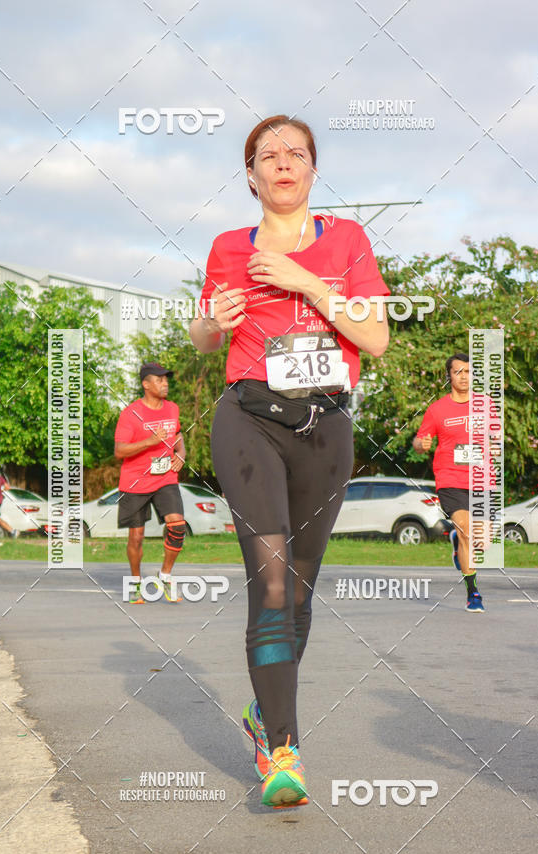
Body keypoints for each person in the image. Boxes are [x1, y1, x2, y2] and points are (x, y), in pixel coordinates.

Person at [190, 115, 389, 807]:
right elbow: (203, 339)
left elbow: (376, 337)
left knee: (299, 593)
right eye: (266, 154)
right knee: (270, 583)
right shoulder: (226, 245)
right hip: (248, 418)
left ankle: (260, 711)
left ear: (311, 170)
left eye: (294, 153)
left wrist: (308, 282)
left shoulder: (347, 240)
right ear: (249, 174)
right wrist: (215, 318)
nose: (281, 162)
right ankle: (284, 749)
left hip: (325, 425)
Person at [413, 352, 498, 612]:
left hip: (482, 478)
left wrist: (494, 447)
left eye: (468, 371)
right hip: (450, 477)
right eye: (458, 371)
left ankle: (454, 540)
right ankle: (473, 594)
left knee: (482, 542)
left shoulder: (486, 405)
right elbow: (419, 441)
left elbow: (495, 436)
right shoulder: (437, 409)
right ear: (449, 375)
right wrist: (421, 444)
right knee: (466, 532)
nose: (464, 376)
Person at [114, 363, 187, 603]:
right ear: (146, 384)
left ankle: (165, 575)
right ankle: (135, 582)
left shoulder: (172, 408)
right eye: (160, 380)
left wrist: (181, 454)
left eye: (166, 380)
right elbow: (119, 451)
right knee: (136, 537)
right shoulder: (130, 414)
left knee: (177, 526)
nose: (165, 384)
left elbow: (177, 436)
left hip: (165, 477)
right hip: (135, 481)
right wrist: (149, 441)